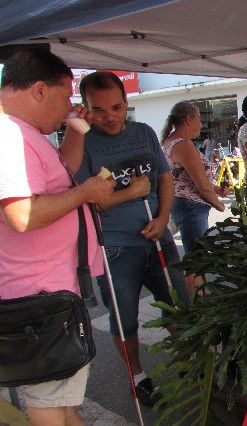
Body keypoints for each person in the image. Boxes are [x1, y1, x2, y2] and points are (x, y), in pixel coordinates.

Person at [0, 49, 114, 425]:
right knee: (49, 404)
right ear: (38, 90)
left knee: (60, 400)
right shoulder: (9, 136)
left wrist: (73, 131)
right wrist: (87, 192)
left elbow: (63, 171)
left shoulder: (25, 133)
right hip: (40, 300)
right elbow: (21, 214)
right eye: (66, 96)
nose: (69, 105)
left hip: (52, 296)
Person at [69, 71, 189, 407]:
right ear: (86, 108)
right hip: (115, 247)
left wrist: (164, 218)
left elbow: (164, 179)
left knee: (176, 305)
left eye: (117, 107)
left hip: (158, 237)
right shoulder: (85, 143)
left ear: (126, 103)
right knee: (125, 318)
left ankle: (184, 359)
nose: (110, 116)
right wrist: (134, 191)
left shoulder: (145, 132)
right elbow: (93, 199)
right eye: (100, 109)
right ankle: (137, 377)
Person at [160, 101, 228, 295]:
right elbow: (200, 185)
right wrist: (218, 204)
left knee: (194, 257)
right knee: (196, 259)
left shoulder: (173, 142)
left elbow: (188, 177)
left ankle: (194, 300)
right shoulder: (182, 145)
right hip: (190, 207)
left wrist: (215, 189)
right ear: (189, 119)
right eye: (199, 120)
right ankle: (195, 304)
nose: (201, 125)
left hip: (184, 205)